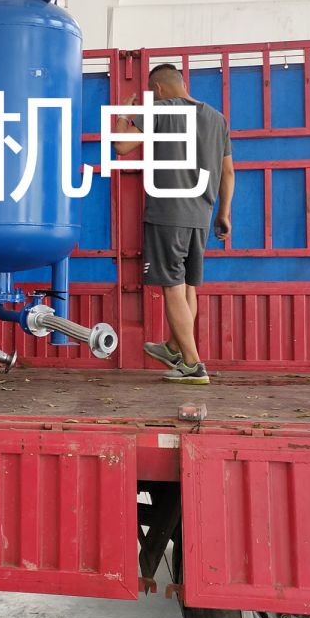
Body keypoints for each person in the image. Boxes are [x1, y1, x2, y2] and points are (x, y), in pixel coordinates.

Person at [111, 63, 234, 384]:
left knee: (173, 287)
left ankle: (192, 364)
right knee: (188, 285)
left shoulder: (160, 110)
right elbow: (228, 172)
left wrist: (123, 115)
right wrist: (223, 213)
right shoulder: (217, 118)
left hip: (168, 213)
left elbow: (121, 146)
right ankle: (173, 347)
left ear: (159, 89)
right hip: (201, 215)